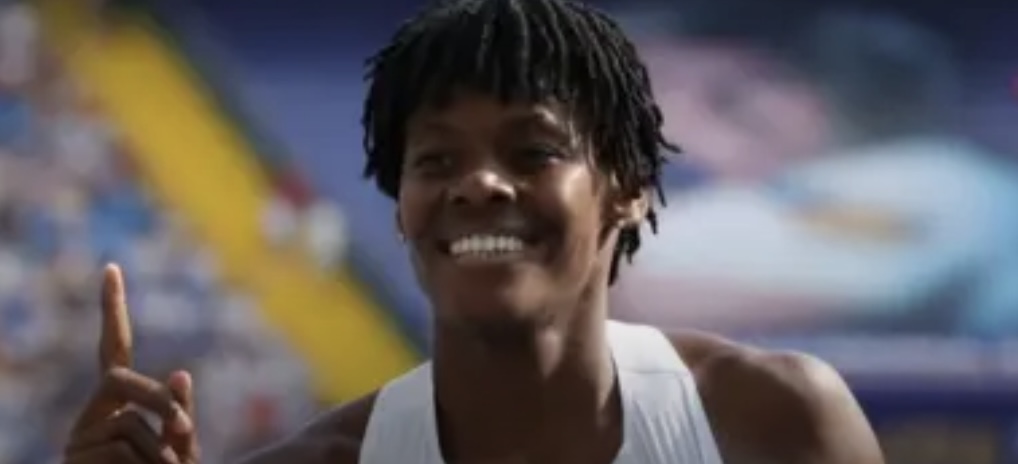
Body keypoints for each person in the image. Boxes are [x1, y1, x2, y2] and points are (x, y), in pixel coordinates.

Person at [61, 1, 883, 463]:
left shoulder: (775, 423)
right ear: (401, 206)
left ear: (629, 191)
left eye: (533, 151)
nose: (479, 184)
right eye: (437, 159)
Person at [613, 0, 1018, 337]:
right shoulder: (762, 190)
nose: (671, 120)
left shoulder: (935, 178)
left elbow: (858, 298)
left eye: (725, 101)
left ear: (806, 96)